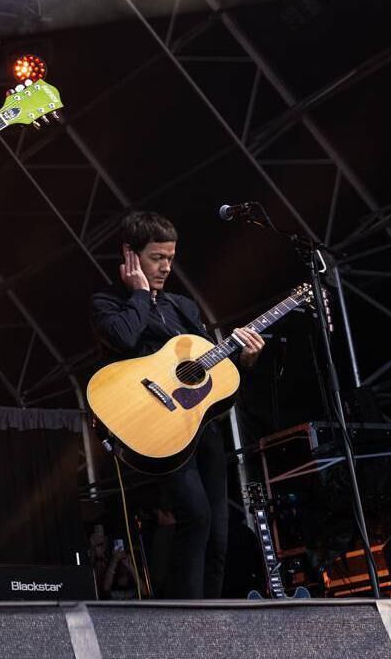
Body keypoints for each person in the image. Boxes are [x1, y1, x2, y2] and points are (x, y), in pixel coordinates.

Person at [88, 210, 265, 599]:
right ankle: (186, 621)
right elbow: (123, 339)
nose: (167, 266)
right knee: (196, 516)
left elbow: (206, 367)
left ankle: (213, 619)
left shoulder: (182, 307)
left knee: (219, 530)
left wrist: (244, 359)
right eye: (157, 258)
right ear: (130, 255)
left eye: (171, 257)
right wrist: (138, 294)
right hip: (160, 427)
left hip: (202, 426)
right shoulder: (108, 302)